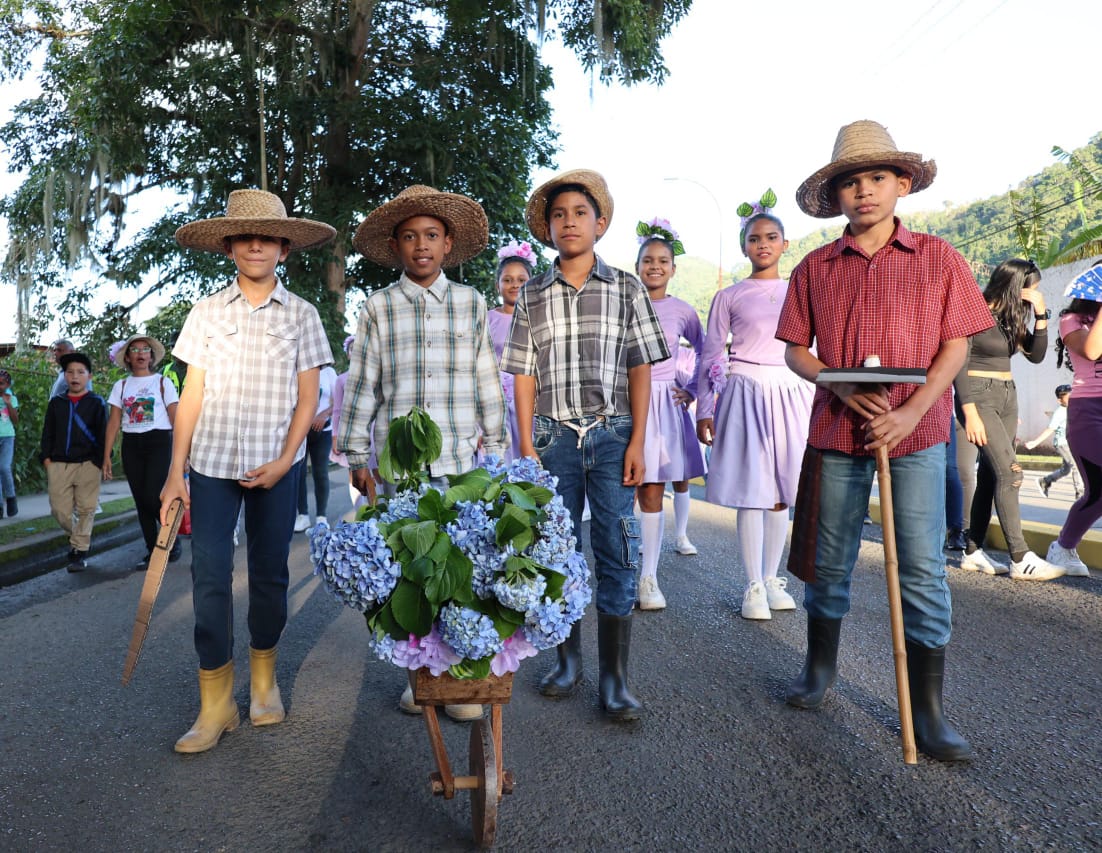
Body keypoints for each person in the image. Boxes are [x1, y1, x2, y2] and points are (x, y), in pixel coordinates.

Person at [777, 120, 993, 762]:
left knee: (923, 568)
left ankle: (927, 710)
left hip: (920, 432)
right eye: (850, 182)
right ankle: (819, 671)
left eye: (876, 178)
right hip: (838, 432)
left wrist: (914, 409)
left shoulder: (940, 258)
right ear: (835, 195)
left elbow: (958, 343)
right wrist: (841, 389)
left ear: (901, 184)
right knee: (830, 557)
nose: (864, 191)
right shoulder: (815, 267)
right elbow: (795, 350)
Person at [161, 189, 336, 754]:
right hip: (210, 465)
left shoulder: (304, 314)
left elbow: (308, 398)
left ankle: (263, 682)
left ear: (283, 249)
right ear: (230, 247)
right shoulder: (206, 312)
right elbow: (191, 394)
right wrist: (174, 473)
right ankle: (214, 705)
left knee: (269, 575)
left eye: (267, 237)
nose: (256, 244)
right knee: (208, 575)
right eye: (245, 236)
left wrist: (287, 459)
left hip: (276, 464)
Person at [501, 169, 670, 721]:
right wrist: (525, 444)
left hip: (614, 431)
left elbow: (641, 365)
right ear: (548, 229)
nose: (569, 222)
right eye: (558, 215)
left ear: (600, 223)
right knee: (558, 551)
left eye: (580, 213)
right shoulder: (531, 294)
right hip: (552, 437)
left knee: (618, 549)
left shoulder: (625, 287)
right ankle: (567, 660)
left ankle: (615, 678)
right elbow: (524, 373)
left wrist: (639, 439)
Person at [337, 184, 508, 722]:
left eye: (431, 236)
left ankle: (458, 675)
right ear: (396, 246)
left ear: (448, 242)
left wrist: (498, 447)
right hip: (402, 465)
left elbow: (486, 377)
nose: (421, 246)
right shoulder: (379, 307)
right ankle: (420, 674)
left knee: (460, 565)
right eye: (409, 237)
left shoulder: (471, 303)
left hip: (459, 458)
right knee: (410, 568)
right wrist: (355, 452)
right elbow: (363, 383)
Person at [697, 207, 813, 621]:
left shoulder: (802, 289)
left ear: (785, 244)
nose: (762, 245)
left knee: (783, 491)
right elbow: (711, 354)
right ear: (745, 246)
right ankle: (751, 584)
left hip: (792, 388)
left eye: (770, 237)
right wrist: (704, 410)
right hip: (744, 387)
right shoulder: (729, 296)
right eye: (754, 239)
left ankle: (772, 577)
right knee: (752, 488)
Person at [954, 259, 1063, 580]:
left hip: (1006, 394)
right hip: (978, 393)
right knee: (1012, 474)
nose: (1034, 295)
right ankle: (1020, 556)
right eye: (1033, 290)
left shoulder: (1010, 317)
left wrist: (1041, 314)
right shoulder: (974, 309)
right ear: (1016, 285)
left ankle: (973, 552)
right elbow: (958, 363)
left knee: (992, 476)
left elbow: (1037, 354)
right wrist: (970, 412)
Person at [633, 217, 706, 611]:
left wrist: (691, 389)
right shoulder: (624, 303)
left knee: (653, 488)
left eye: (662, 260)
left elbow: (707, 350)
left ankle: (649, 577)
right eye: (647, 260)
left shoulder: (682, 310)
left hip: (665, 403)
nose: (655, 266)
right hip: (628, 400)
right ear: (637, 265)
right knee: (624, 490)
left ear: (674, 268)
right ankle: (625, 570)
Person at [103, 334, 181, 570]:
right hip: (132, 444)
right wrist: (106, 455)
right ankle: (152, 551)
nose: (140, 354)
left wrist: (182, 452)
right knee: (140, 500)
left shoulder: (162, 382)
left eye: (145, 349)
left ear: (151, 356)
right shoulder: (122, 386)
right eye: (135, 350)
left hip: (159, 441)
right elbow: (114, 422)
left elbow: (175, 417)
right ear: (127, 357)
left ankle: (170, 538)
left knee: (151, 496)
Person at [1045, 261, 1102, 576]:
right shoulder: (1072, 320)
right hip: (1088, 410)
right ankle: (1062, 548)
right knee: (1097, 488)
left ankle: (1064, 547)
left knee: (1098, 492)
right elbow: (1093, 351)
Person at [40, 351, 106, 572]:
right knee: (59, 510)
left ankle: (79, 552)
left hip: (89, 463)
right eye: (69, 372)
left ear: (89, 376)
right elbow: (47, 432)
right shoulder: (56, 403)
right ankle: (79, 538)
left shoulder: (97, 403)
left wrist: (100, 461)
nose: (74, 377)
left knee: (87, 509)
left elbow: (104, 433)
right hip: (58, 463)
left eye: (80, 372)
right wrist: (47, 459)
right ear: (64, 377)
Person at [487, 239, 535, 461]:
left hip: (530, 403)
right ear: (498, 285)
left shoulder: (539, 319)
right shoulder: (487, 319)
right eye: (507, 280)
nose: (515, 285)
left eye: (521, 280)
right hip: (497, 402)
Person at [293, 361, 338, 532]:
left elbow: (338, 402)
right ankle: (302, 515)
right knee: (299, 472)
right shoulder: (299, 370)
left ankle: (321, 517)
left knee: (320, 472)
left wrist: (323, 414)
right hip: (301, 430)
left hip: (323, 430)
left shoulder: (329, 373)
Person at [1025, 385, 1081, 499]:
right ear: (1060, 400)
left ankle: (1045, 481)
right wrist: (1035, 443)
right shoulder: (1059, 413)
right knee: (1076, 465)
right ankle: (1080, 494)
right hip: (1062, 444)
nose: (1071, 399)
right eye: (1068, 398)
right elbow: (1050, 429)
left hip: (1071, 443)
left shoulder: (1073, 408)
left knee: (1066, 470)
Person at [0, 368, 19, 518]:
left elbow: (15, 420)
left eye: (2, 383)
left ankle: (11, 498)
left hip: (7, 437)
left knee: (4, 467)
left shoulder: (11, 397)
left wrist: (8, 404)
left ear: (8, 384)